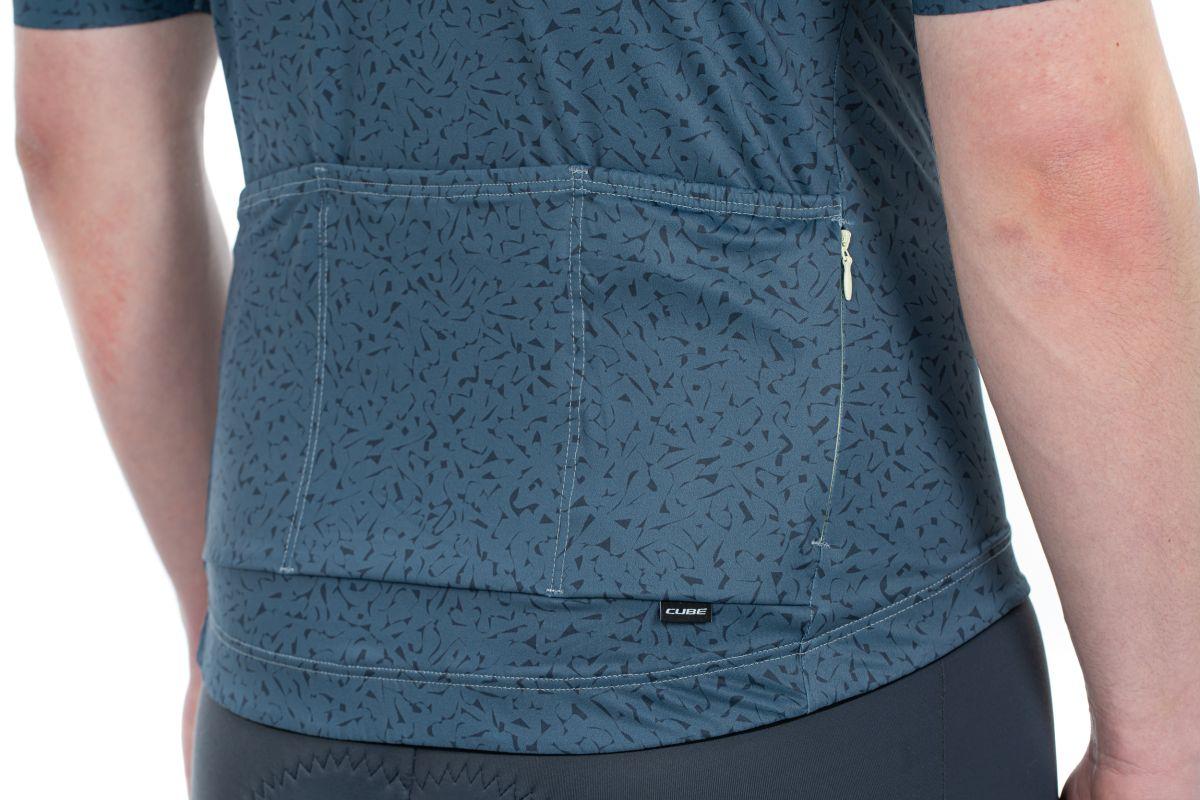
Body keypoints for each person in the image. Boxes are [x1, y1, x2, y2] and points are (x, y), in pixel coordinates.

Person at [14, 0, 1199, 796]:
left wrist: (227, 622)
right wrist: (1167, 740)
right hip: (799, 666)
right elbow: (1062, 166)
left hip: (296, 668)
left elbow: (75, 137)